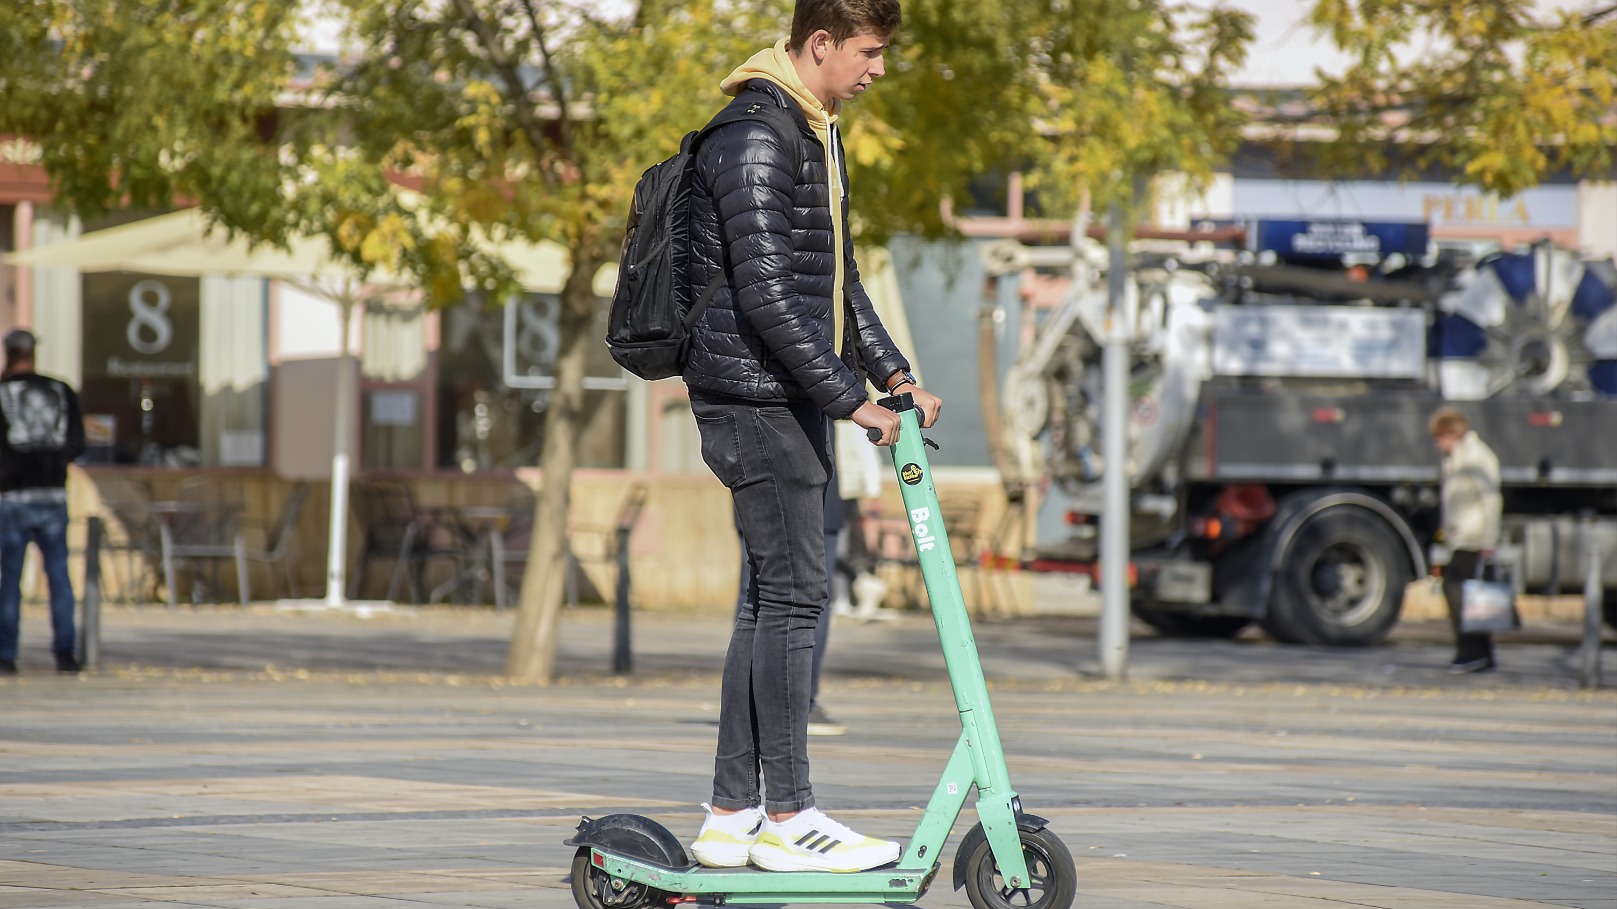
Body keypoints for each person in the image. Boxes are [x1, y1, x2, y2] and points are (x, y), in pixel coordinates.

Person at [682, 0, 941, 874]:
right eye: (869, 52)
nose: (878, 69)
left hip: (780, 393)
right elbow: (763, 292)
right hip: (753, 399)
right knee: (793, 599)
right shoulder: (756, 133)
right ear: (819, 43)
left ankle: (729, 815)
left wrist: (892, 374)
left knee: (768, 601)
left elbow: (837, 280)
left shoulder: (810, 128)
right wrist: (849, 399)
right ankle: (788, 813)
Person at [0, 329, 87, 675]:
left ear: (8, 353)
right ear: (33, 353)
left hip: (14, 497)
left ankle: (6, 655)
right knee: (59, 577)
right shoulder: (60, 389)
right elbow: (78, 442)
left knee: (11, 579)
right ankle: (65, 652)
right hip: (52, 494)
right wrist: (53, 462)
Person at [1429, 406, 1502, 674]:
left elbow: (1490, 500)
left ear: (1452, 433)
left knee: (1460, 593)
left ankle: (1470, 651)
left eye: (1440, 437)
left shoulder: (1476, 457)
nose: (1438, 444)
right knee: (1473, 597)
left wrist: (1488, 540)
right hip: (1461, 538)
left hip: (1473, 538)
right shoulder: (1456, 459)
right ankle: (1482, 653)